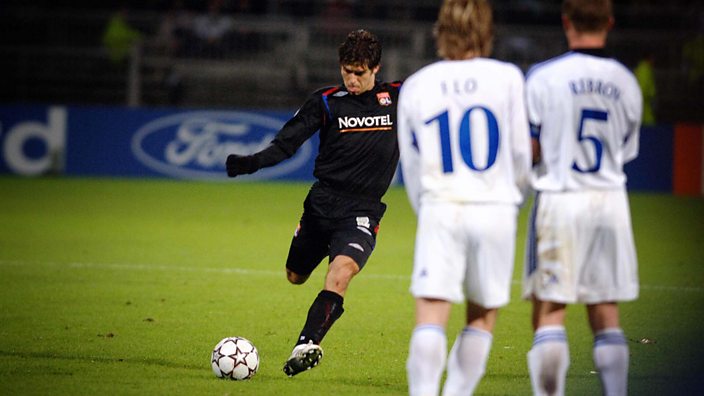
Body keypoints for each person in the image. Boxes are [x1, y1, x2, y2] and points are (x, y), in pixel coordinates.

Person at [225, 29, 401, 377]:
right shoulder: (325, 101)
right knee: (295, 276)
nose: (352, 79)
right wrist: (252, 162)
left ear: (376, 69)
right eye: (347, 71)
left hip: (362, 210)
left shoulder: (398, 97)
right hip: (321, 205)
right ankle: (305, 255)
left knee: (341, 273)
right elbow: (288, 143)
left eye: (360, 72)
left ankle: (306, 344)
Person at [398, 1, 531, 395]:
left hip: (441, 205)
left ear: (440, 31)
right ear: (486, 31)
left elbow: (412, 164)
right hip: (495, 209)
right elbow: (521, 155)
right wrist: (509, 200)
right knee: (481, 316)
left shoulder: (417, 84)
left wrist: (429, 208)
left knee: (431, 314)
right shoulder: (507, 78)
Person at [522, 1, 641, 395]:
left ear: (565, 21)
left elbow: (531, 147)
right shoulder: (626, 81)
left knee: (551, 310)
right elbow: (626, 150)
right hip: (609, 201)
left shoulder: (544, 77)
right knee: (606, 311)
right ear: (609, 21)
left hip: (561, 199)